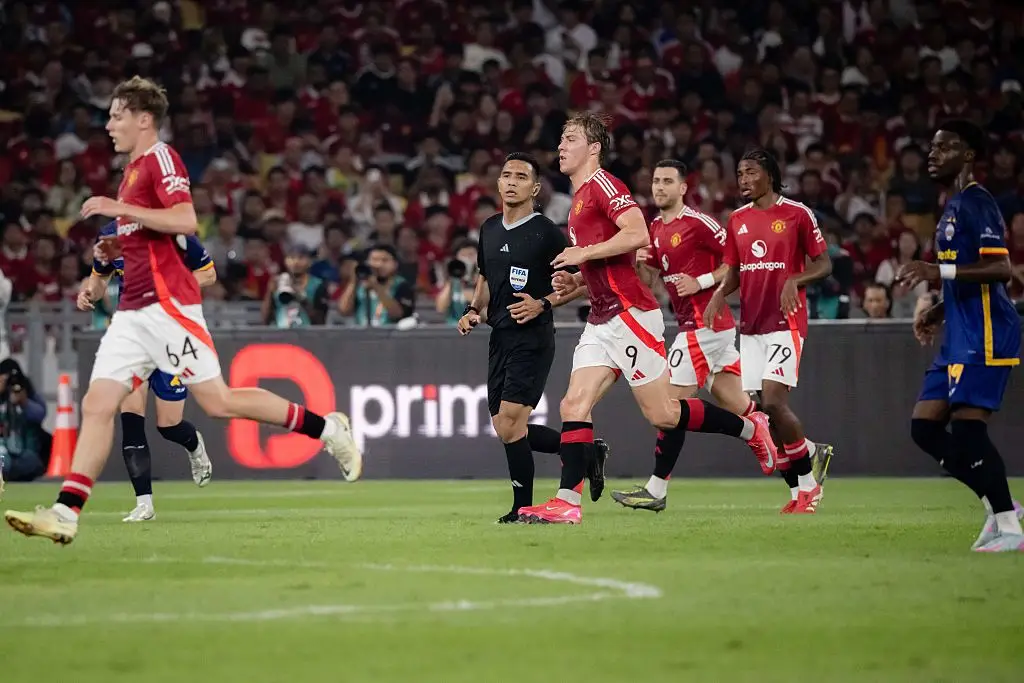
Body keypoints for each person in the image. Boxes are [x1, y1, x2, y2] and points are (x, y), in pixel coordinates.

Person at [4, 76, 362, 546]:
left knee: (219, 402)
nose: (109, 124)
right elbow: (139, 238)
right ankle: (66, 514)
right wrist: (107, 260)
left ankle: (327, 428)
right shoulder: (130, 174)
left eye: (116, 115)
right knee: (97, 404)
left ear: (144, 119)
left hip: (169, 308)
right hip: (131, 313)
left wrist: (118, 209)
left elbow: (185, 219)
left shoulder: (160, 158)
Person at [515, 113, 777, 525]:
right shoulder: (580, 194)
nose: (561, 146)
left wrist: (582, 255)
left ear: (594, 148)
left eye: (570, 138)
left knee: (664, 414)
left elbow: (638, 233)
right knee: (573, 402)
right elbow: (615, 261)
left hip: (631, 315)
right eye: (561, 138)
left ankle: (751, 427)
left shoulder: (604, 184)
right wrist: (578, 283)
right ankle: (567, 502)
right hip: (601, 318)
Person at [612, 159, 834, 511]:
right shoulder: (654, 227)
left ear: (684, 188)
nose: (659, 187)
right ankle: (799, 469)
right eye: (655, 181)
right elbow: (649, 280)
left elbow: (731, 265)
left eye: (668, 181)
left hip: (706, 327)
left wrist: (701, 283)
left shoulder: (701, 224)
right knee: (753, 411)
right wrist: (637, 260)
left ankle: (657, 489)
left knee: (668, 408)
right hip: (699, 327)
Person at [456, 152, 609, 523]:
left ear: (534, 188)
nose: (511, 182)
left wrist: (543, 303)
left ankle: (519, 506)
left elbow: (585, 278)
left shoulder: (546, 232)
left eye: (520, 177)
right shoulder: (489, 228)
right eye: (506, 175)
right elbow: (485, 275)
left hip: (533, 336)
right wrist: (475, 310)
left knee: (510, 421)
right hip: (500, 334)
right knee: (506, 426)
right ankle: (585, 450)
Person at [898, 119, 1023, 553]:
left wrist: (936, 271)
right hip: (960, 331)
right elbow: (963, 278)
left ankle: (1009, 526)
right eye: (932, 147)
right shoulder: (950, 207)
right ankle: (1000, 504)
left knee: (969, 433)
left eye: (945, 147)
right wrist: (937, 307)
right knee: (924, 429)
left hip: (987, 332)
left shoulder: (977, 202)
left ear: (968, 155)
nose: (933, 154)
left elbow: (1001, 269)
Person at [704, 148, 833, 514]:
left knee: (775, 402)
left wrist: (796, 278)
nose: (743, 180)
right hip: (753, 324)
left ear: (770, 175)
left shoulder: (797, 214)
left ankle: (808, 486)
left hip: (785, 321)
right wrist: (718, 295)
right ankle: (804, 469)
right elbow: (734, 270)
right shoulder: (737, 219)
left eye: (750, 173)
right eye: (740, 174)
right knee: (763, 410)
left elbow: (824, 264)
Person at [86, 220, 217, 522]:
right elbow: (99, 279)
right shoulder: (108, 235)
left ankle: (193, 444)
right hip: (131, 337)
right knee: (131, 418)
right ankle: (144, 504)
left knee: (169, 424)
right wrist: (88, 294)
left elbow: (209, 273)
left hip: (171, 335)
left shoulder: (171, 232)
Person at [338, 243, 416, 326]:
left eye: (384, 260)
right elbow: (344, 311)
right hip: (362, 334)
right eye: (374, 260)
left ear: (395, 264)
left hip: (392, 334)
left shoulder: (402, 285)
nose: (379, 265)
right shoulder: (360, 286)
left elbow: (398, 314)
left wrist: (376, 286)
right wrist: (353, 281)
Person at [0, 359, 49, 486]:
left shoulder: (26, 391)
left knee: (32, 463)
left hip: (23, 452)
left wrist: (24, 402)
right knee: (4, 463)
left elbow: (40, 414)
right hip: (3, 449)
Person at [263, 245, 330, 327]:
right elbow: (265, 319)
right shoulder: (278, 282)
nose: (296, 262)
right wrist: (269, 292)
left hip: (308, 335)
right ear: (285, 261)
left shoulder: (318, 285)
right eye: (292, 257)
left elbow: (320, 321)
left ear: (309, 261)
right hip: (281, 335)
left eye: (301, 258)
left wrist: (301, 298)